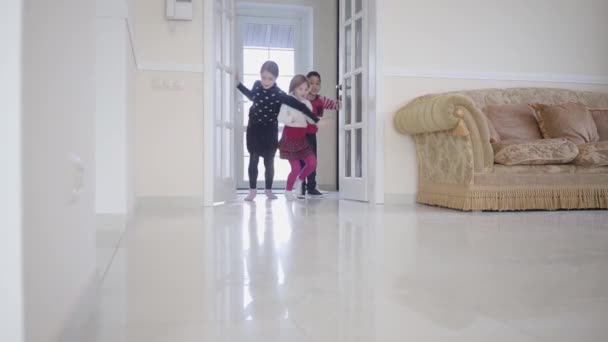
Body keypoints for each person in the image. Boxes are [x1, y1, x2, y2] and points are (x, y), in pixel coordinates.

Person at [236, 61, 319, 201]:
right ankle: (252, 190)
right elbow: (251, 96)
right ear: (260, 76)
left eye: (270, 78)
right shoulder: (257, 85)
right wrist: (238, 84)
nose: (266, 81)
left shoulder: (279, 94)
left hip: (269, 132)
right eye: (263, 77)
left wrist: (315, 120)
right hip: (254, 129)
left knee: (269, 162)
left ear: (276, 78)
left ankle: (268, 189)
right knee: (253, 158)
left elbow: (299, 106)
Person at [277, 75, 318, 201]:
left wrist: (317, 121)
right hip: (289, 139)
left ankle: (300, 180)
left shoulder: (307, 103)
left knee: (312, 163)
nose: (304, 92)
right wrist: (293, 120)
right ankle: (288, 190)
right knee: (295, 168)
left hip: (301, 139)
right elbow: (281, 117)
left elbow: (311, 119)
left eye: (306, 89)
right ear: (294, 89)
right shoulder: (288, 101)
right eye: (300, 89)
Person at [300, 71, 340, 196]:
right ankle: (300, 187)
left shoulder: (321, 100)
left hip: (311, 135)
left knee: (312, 161)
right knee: (301, 162)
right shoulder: (301, 98)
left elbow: (335, 105)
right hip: (299, 135)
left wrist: (344, 100)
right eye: (311, 83)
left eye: (317, 83)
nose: (314, 86)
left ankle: (311, 187)